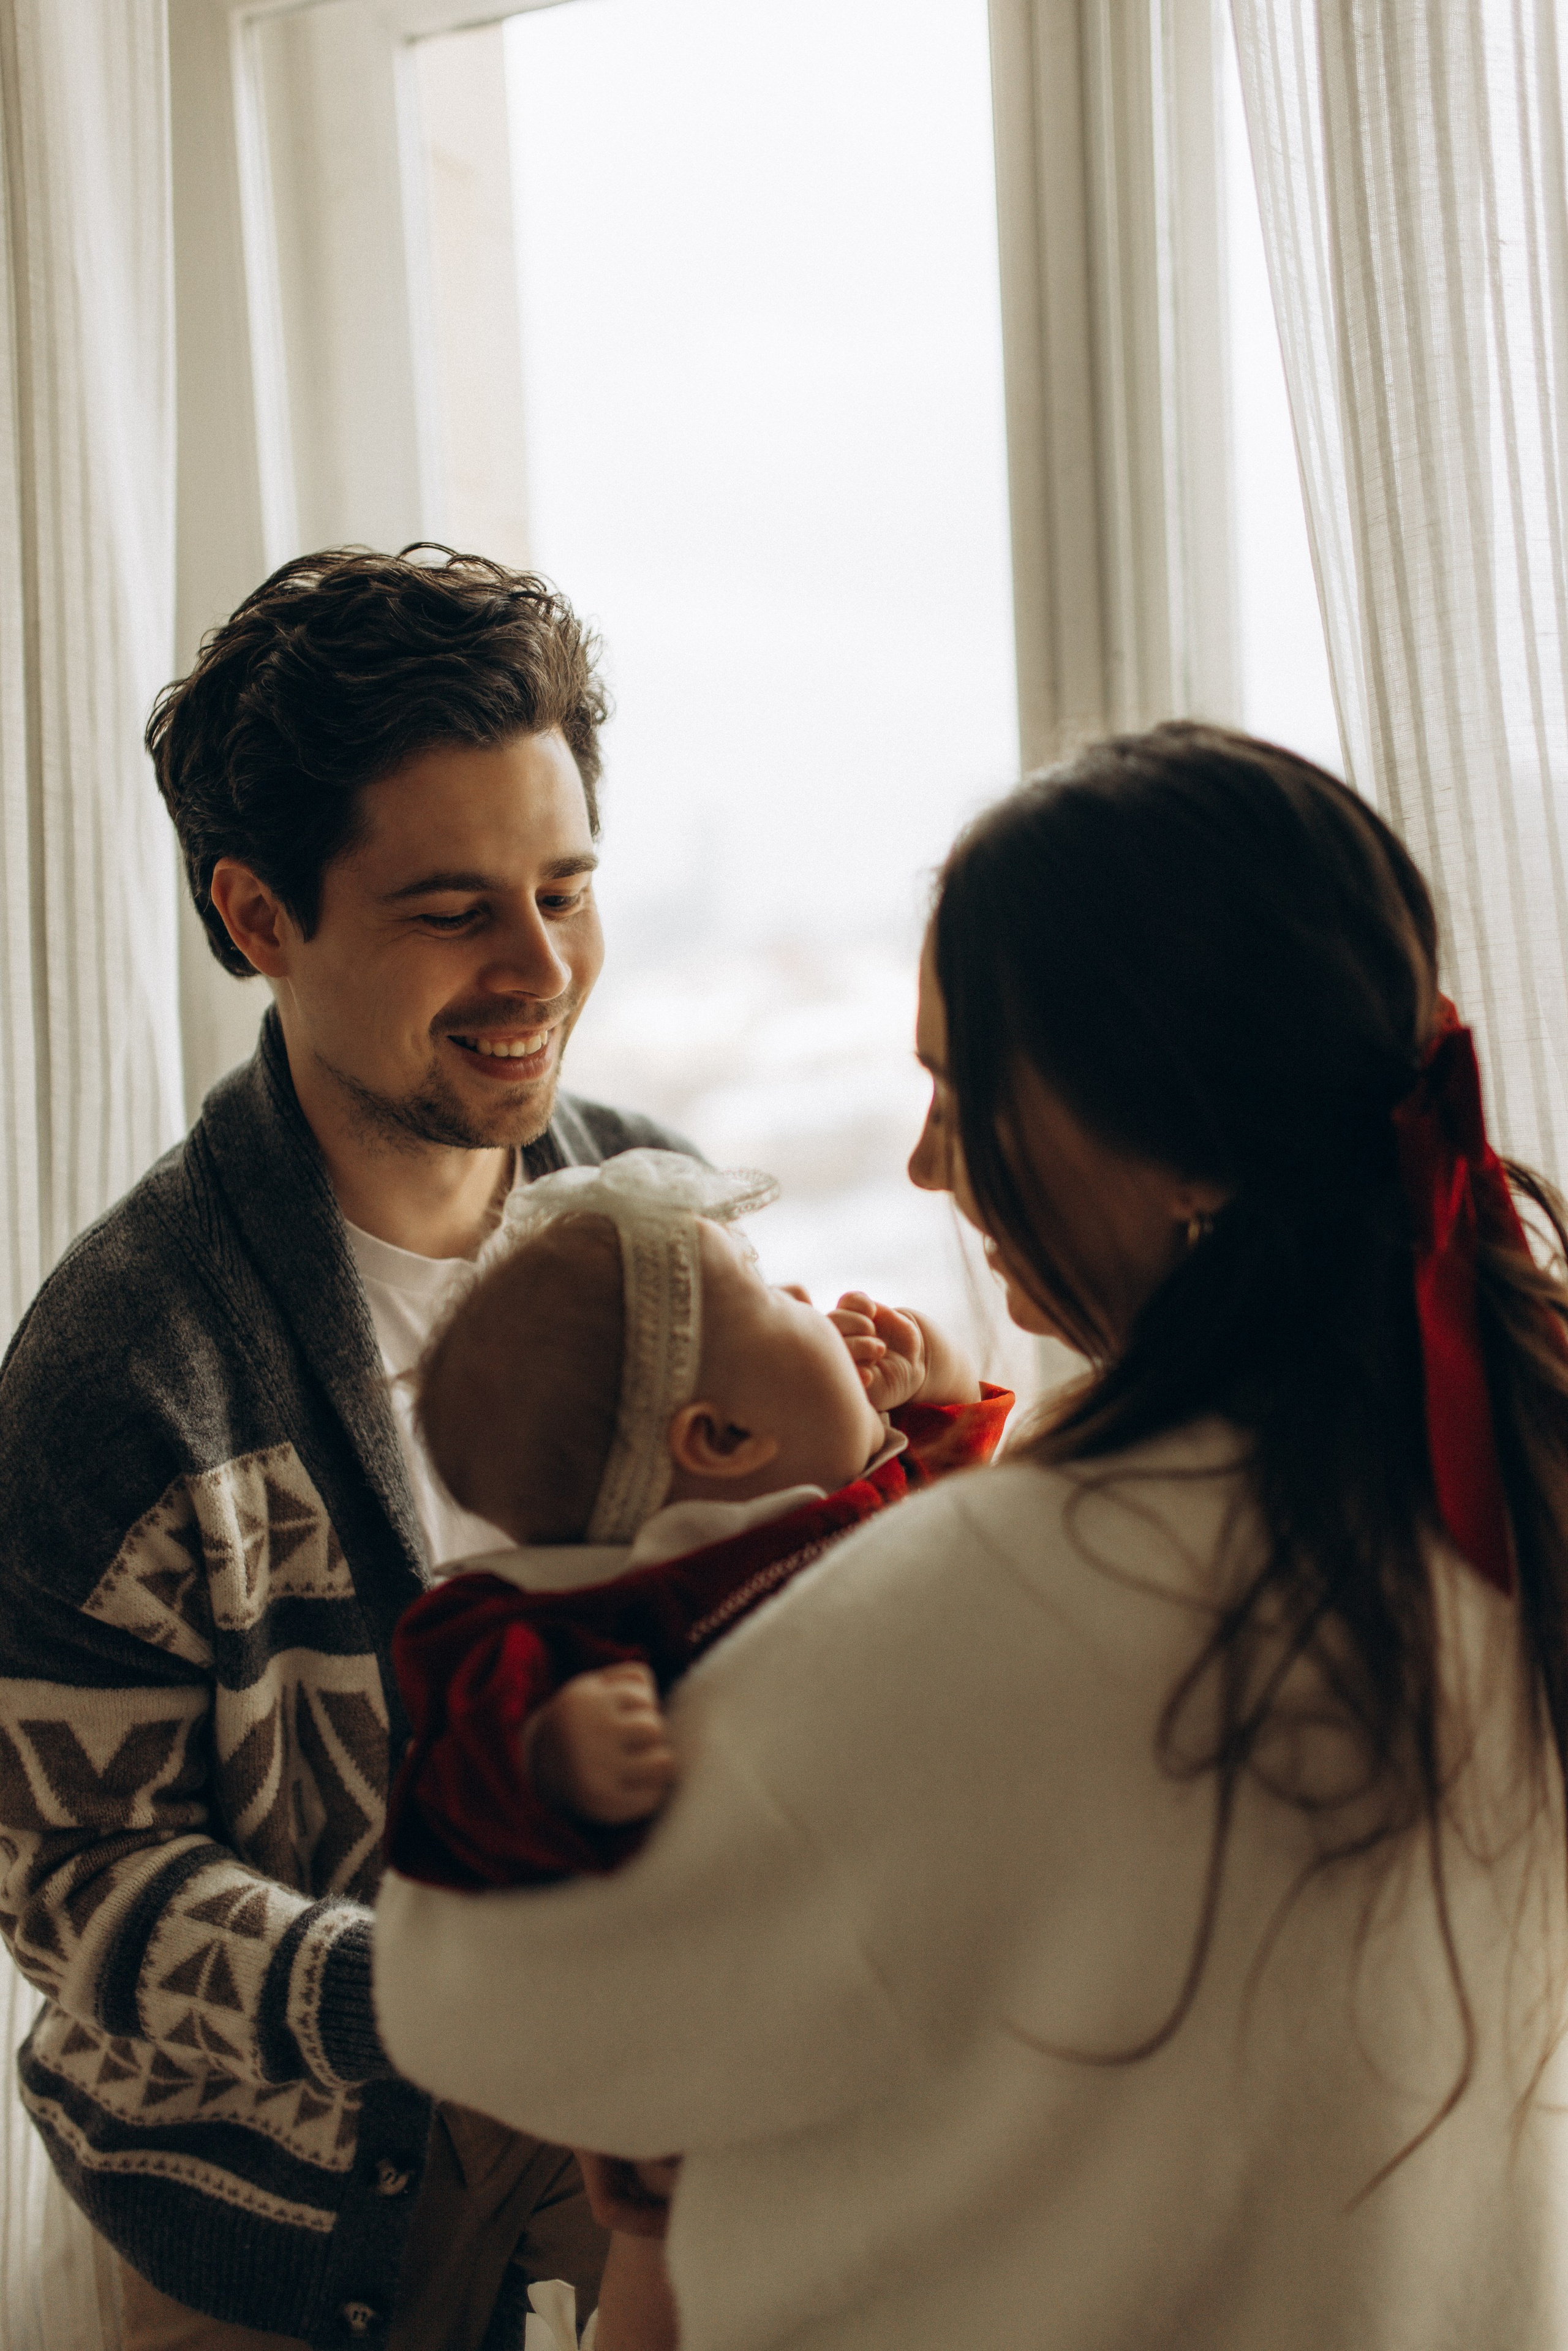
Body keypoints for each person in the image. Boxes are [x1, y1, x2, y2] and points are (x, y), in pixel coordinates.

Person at [375, 722, 1568, 2351]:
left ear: (1163, 1128)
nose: (932, 1162)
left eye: (961, 1089)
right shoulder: (1497, 1471)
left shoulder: (1007, 1606)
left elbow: (473, 2001)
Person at [0, 546, 694, 2351]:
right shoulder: (116, 1371)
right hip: (283, 2235)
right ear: (258, 915)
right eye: (454, 907)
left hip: (652, 2133)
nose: (537, 967)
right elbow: (71, 1881)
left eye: (566, 888)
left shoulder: (662, 1227)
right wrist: (442, 1995)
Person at [383, 1146, 1011, 2350]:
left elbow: (957, 1500)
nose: (816, 1303)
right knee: (663, 2274)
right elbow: (445, 1771)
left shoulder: (847, 1506)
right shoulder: (561, 1614)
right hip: (690, 2053)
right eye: (780, 1298)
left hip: (864, 2018)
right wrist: (547, 1752)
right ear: (719, 1437)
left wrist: (932, 1372)